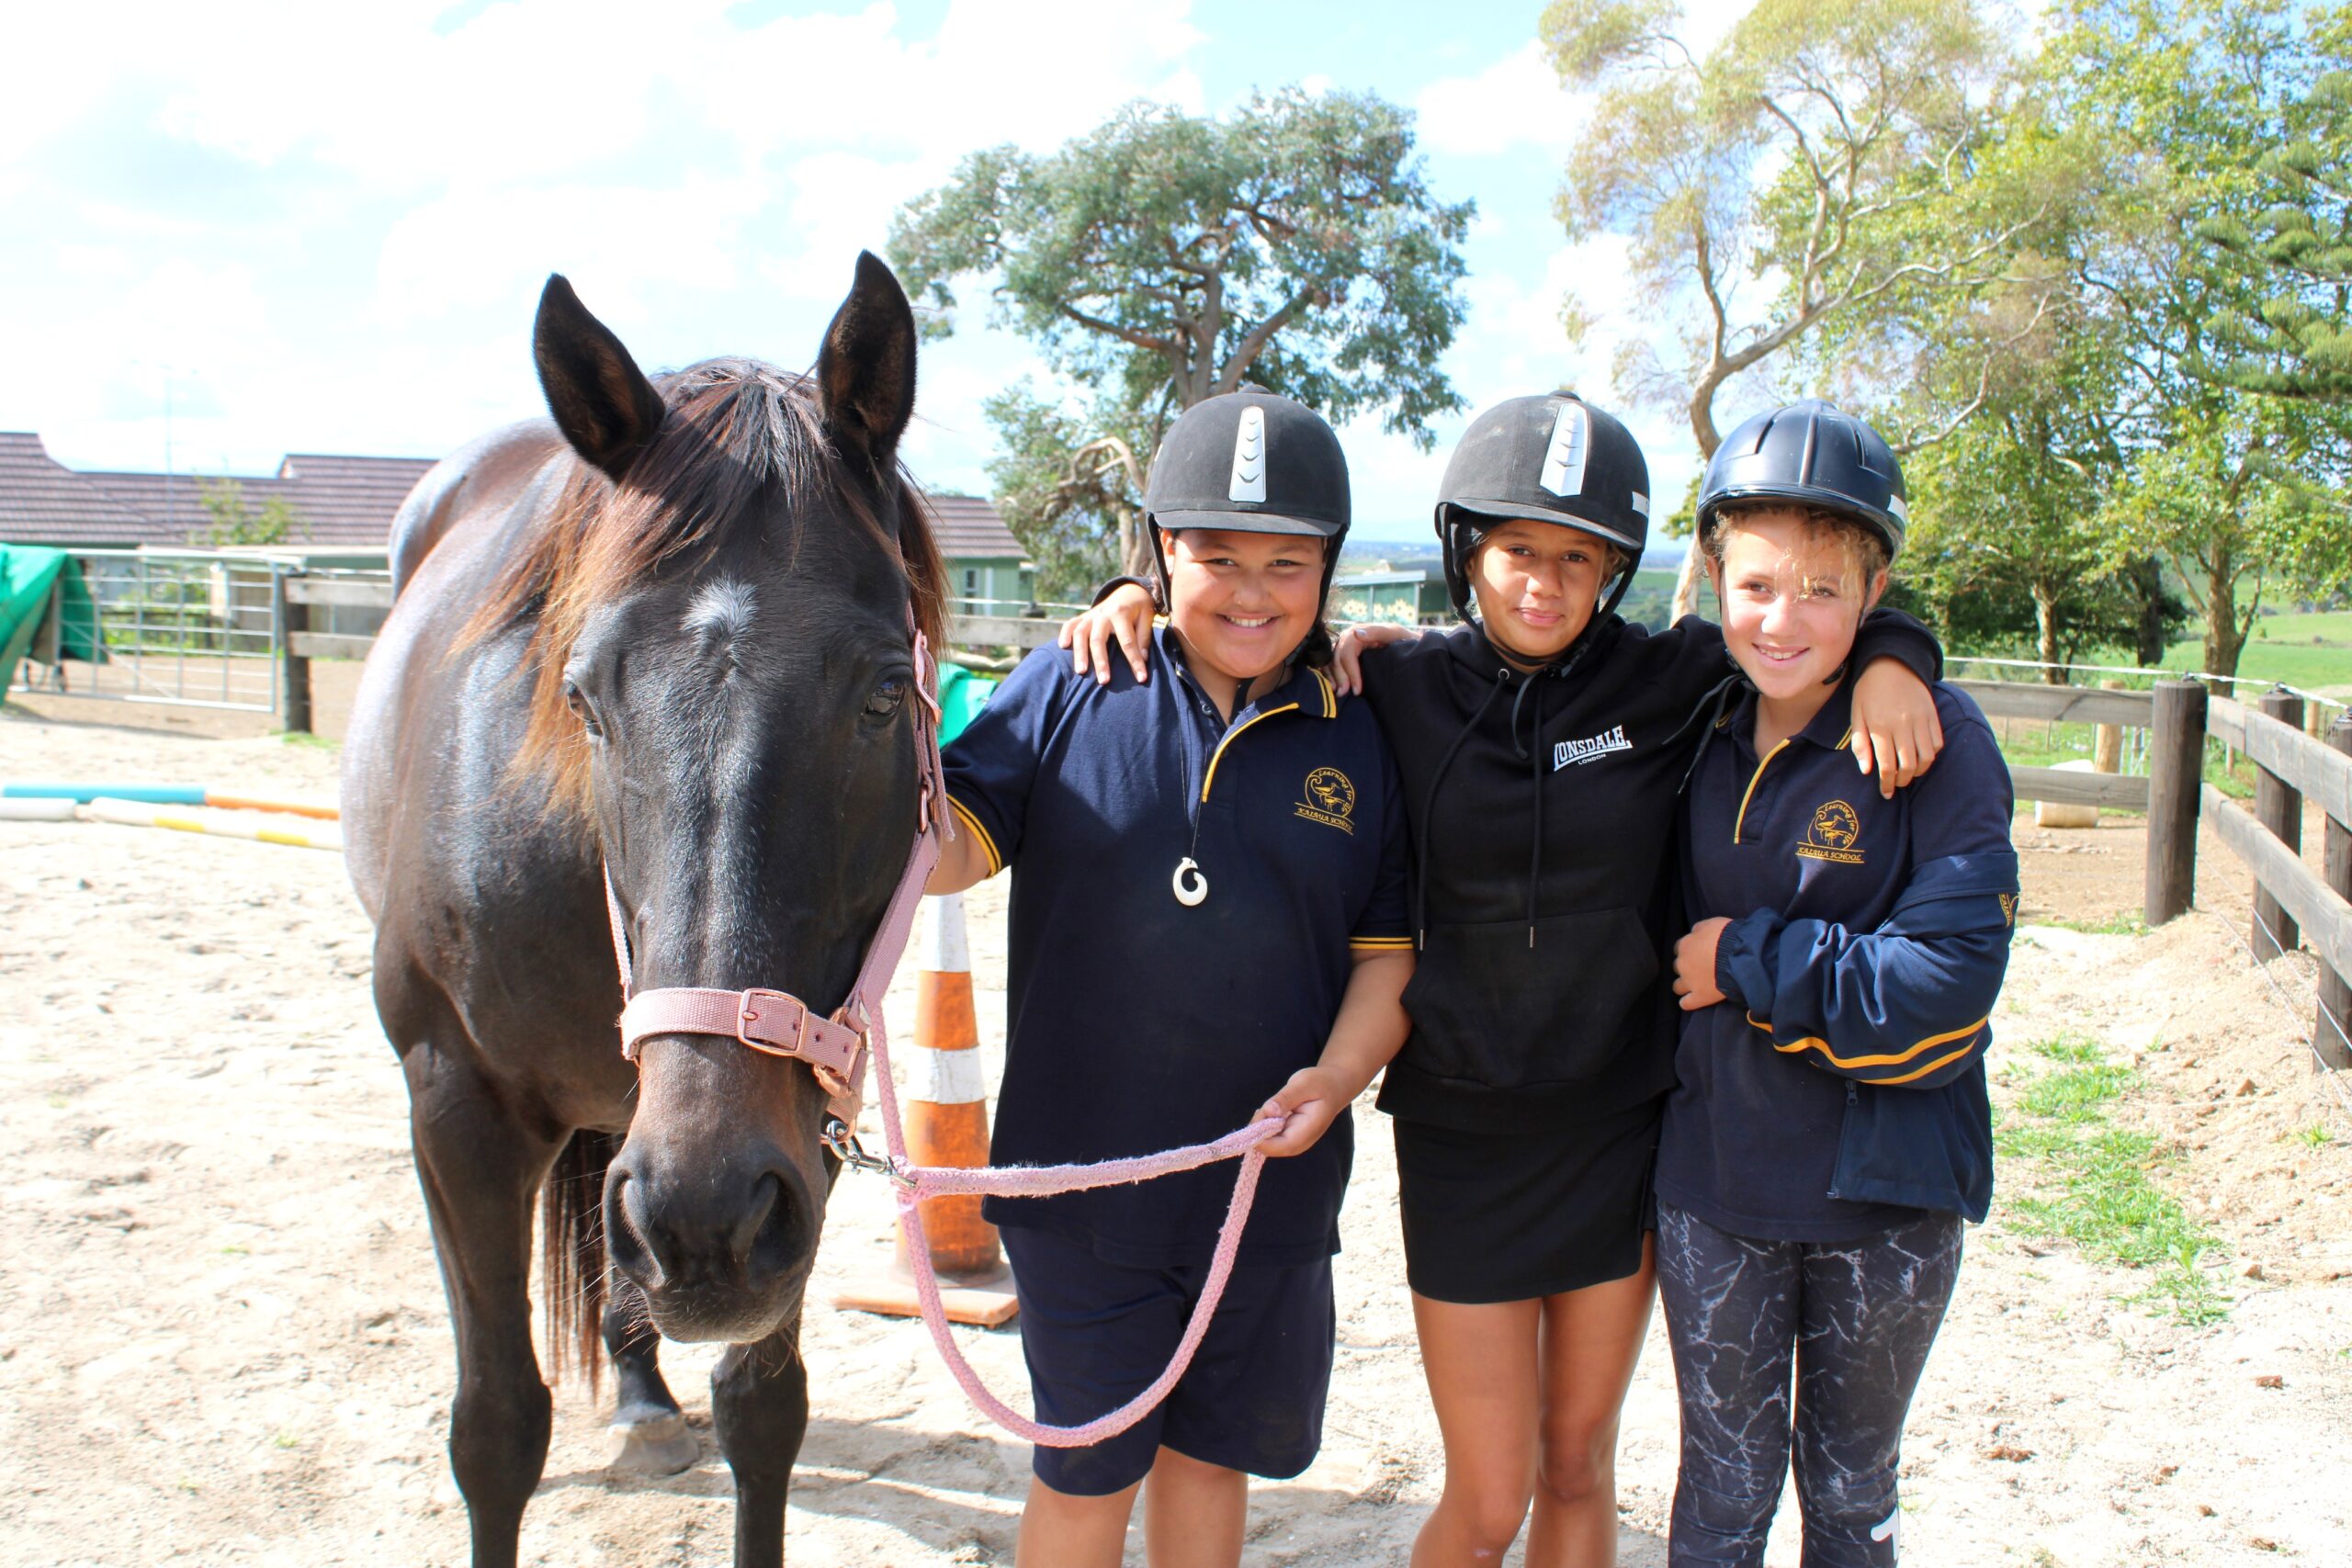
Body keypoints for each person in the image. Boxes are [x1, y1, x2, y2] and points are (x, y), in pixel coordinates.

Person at [1063, 391, 1948, 1567]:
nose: (1543, 582)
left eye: (1576, 559)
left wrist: (1900, 655)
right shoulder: (1394, 686)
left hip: (1617, 1129)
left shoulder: (1666, 684)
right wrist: (1128, 596)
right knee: (1487, 1501)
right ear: (1465, 551)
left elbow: (1800, 622)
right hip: (1464, 1137)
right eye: (1517, 550)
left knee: (1578, 1466)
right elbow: (1233, 637)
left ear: (1614, 570)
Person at [927, 389, 1417, 1568]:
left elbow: (1388, 952)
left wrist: (1340, 1076)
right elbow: (941, 852)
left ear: (1329, 568)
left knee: (1210, 1467)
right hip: (1080, 1191)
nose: (1251, 593)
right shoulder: (1071, 683)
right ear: (1157, 554)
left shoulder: (1365, 728)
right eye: (1215, 557)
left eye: (1286, 565)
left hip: (1267, 1191)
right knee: (1087, 1472)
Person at [1659, 400, 2018, 1566]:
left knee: (1852, 1500)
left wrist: (1740, 959)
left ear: (1873, 595)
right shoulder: (1693, 720)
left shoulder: (1939, 747)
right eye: (1757, 582)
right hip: (1715, 1188)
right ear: (1713, 576)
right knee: (1718, 1498)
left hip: (1886, 1200)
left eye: (1823, 588)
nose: (1782, 617)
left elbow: (1944, 993)